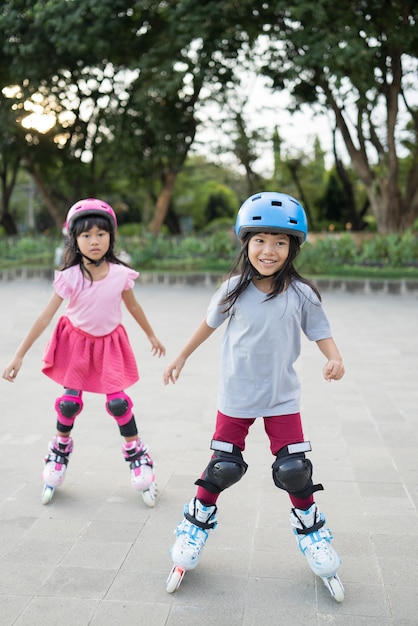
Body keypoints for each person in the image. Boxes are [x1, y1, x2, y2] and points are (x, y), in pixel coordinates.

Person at [163, 191, 345, 600]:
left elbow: (321, 333)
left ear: (293, 248)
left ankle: (314, 536)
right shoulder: (232, 289)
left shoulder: (302, 294)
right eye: (260, 239)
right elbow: (206, 326)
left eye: (281, 242)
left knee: (295, 470)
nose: (269, 249)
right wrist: (181, 357)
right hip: (237, 398)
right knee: (221, 467)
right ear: (245, 241)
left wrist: (335, 359)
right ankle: (193, 527)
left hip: (282, 399)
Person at [3, 198, 165, 507]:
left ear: (111, 237)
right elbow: (45, 316)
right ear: (75, 240)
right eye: (86, 235)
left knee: (119, 403)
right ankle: (59, 451)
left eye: (101, 234)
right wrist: (19, 355)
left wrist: (151, 335)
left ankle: (138, 455)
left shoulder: (120, 274)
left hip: (108, 344)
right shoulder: (70, 276)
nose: (94, 241)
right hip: (76, 343)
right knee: (68, 403)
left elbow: (133, 306)